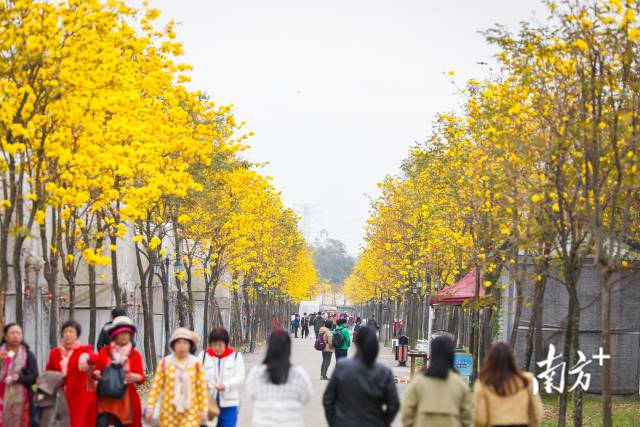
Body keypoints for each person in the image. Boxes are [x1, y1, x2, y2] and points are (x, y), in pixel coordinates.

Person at [323, 326, 399, 427]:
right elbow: (394, 404)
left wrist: (335, 423)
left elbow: (328, 400)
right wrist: (383, 422)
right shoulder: (384, 372)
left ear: (357, 344)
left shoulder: (342, 367)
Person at [401, 335, 472, 427]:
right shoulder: (460, 383)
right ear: (451, 355)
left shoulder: (418, 381)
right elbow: (467, 419)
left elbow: (407, 414)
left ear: (432, 354)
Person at [247, 329, 312, 426]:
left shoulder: (257, 373)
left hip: (262, 423)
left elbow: (251, 394)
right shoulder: (299, 374)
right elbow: (306, 397)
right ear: (289, 348)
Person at [145, 328, 208, 427]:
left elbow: (202, 389)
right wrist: (150, 408)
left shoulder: (196, 363)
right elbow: (156, 388)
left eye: (185, 342)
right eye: (179, 342)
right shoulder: (165, 363)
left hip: (191, 411)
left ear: (190, 345)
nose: (182, 345)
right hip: (168, 412)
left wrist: (203, 410)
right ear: (173, 345)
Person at [90, 315, 145, 427]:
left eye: (127, 333)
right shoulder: (104, 352)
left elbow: (141, 378)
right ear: (114, 335)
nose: (124, 336)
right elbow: (95, 372)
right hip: (104, 399)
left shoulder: (135, 355)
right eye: (121, 333)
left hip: (125, 400)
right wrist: (96, 374)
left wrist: (137, 377)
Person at [473, 342, 543, 427]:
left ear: (490, 360)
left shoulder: (483, 384)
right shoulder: (527, 380)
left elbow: (480, 418)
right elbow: (536, 410)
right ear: (511, 359)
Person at [46, 320, 97, 427]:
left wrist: (86, 357)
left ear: (77, 335)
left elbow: (96, 358)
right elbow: (48, 372)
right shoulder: (55, 352)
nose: (68, 334)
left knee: (78, 423)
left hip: (80, 396)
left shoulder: (84, 350)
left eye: (71, 331)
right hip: (60, 395)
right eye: (65, 332)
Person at [200, 327, 245, 427]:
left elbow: (240, 378)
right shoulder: (203, 356)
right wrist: (204, 383)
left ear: (226, 343)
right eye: (214, 344)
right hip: (207, 404)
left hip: (229, 405)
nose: (217, 348)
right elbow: (197, 376)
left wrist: (226, 385)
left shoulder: (236, 357)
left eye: (220, 345)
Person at [0, 323, 38, 426]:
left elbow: (34, 377)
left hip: (22, 402)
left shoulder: (28, 355)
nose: (16, 336)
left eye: (18, 333)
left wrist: (20, 378)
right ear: (6, 336)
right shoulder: (1, 353)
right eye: (12, 333)